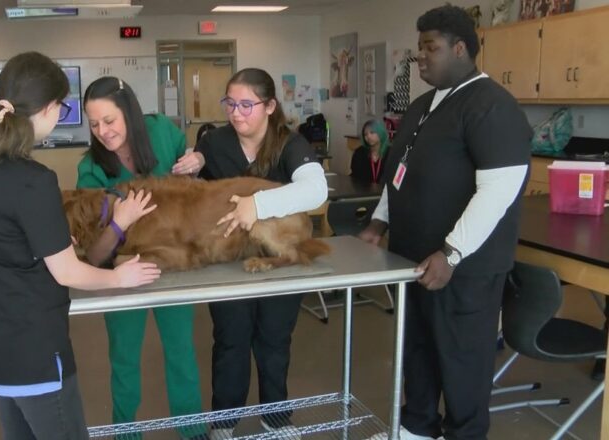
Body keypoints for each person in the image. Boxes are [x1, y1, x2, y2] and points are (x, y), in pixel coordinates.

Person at [0, 53, 161, 440]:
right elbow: (68, 272)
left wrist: (32, 247)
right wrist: (118, 277)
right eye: (63, 106)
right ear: (47, 108)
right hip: (35, 354)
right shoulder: (35, 180)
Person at [359, 6, 531, 440]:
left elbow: (498, 192)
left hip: (464, 267)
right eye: (419, 49)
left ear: (460, 49)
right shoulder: (423, 105)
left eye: (430, 48)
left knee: (462, 361)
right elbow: (400, 174)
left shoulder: (492, 106)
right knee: (416, 349)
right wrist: (379, 223)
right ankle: (416, 427)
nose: (421, 58)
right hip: (415, 258)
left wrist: (452, 251)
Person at [190, 67, 328, 439]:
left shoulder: (290, 144)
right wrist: (193, 166)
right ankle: (223, 423)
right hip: (229, 262)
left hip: (278, 261)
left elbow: (316, 191)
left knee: (274, 341)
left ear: (269, 106)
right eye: (230, 104)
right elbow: (198, 195)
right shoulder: (215, 143)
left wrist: (258, 204)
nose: (236, 113)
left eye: (247, 105)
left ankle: (276, 419)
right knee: (230, 341)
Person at [76, 76, 206, 439]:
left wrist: (198, 158)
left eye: (110, 120)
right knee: (124, 361)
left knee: (181, 354)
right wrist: (120, 223)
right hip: (123, 274)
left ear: (129, 114)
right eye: (94, 123)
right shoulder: (91, 168)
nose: (103, 131)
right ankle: (126, 434)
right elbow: (93, 252)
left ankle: (192, 430)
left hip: (171, 264)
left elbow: (192, 160)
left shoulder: (161, 131)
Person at [349, 119, 390, 183]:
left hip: (385, 191)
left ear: (380, 133)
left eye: (372, 132)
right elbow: (355, 175)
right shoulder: (359, 152)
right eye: (365, 134)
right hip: (363, 191)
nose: (368, 136)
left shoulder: (391, 153)